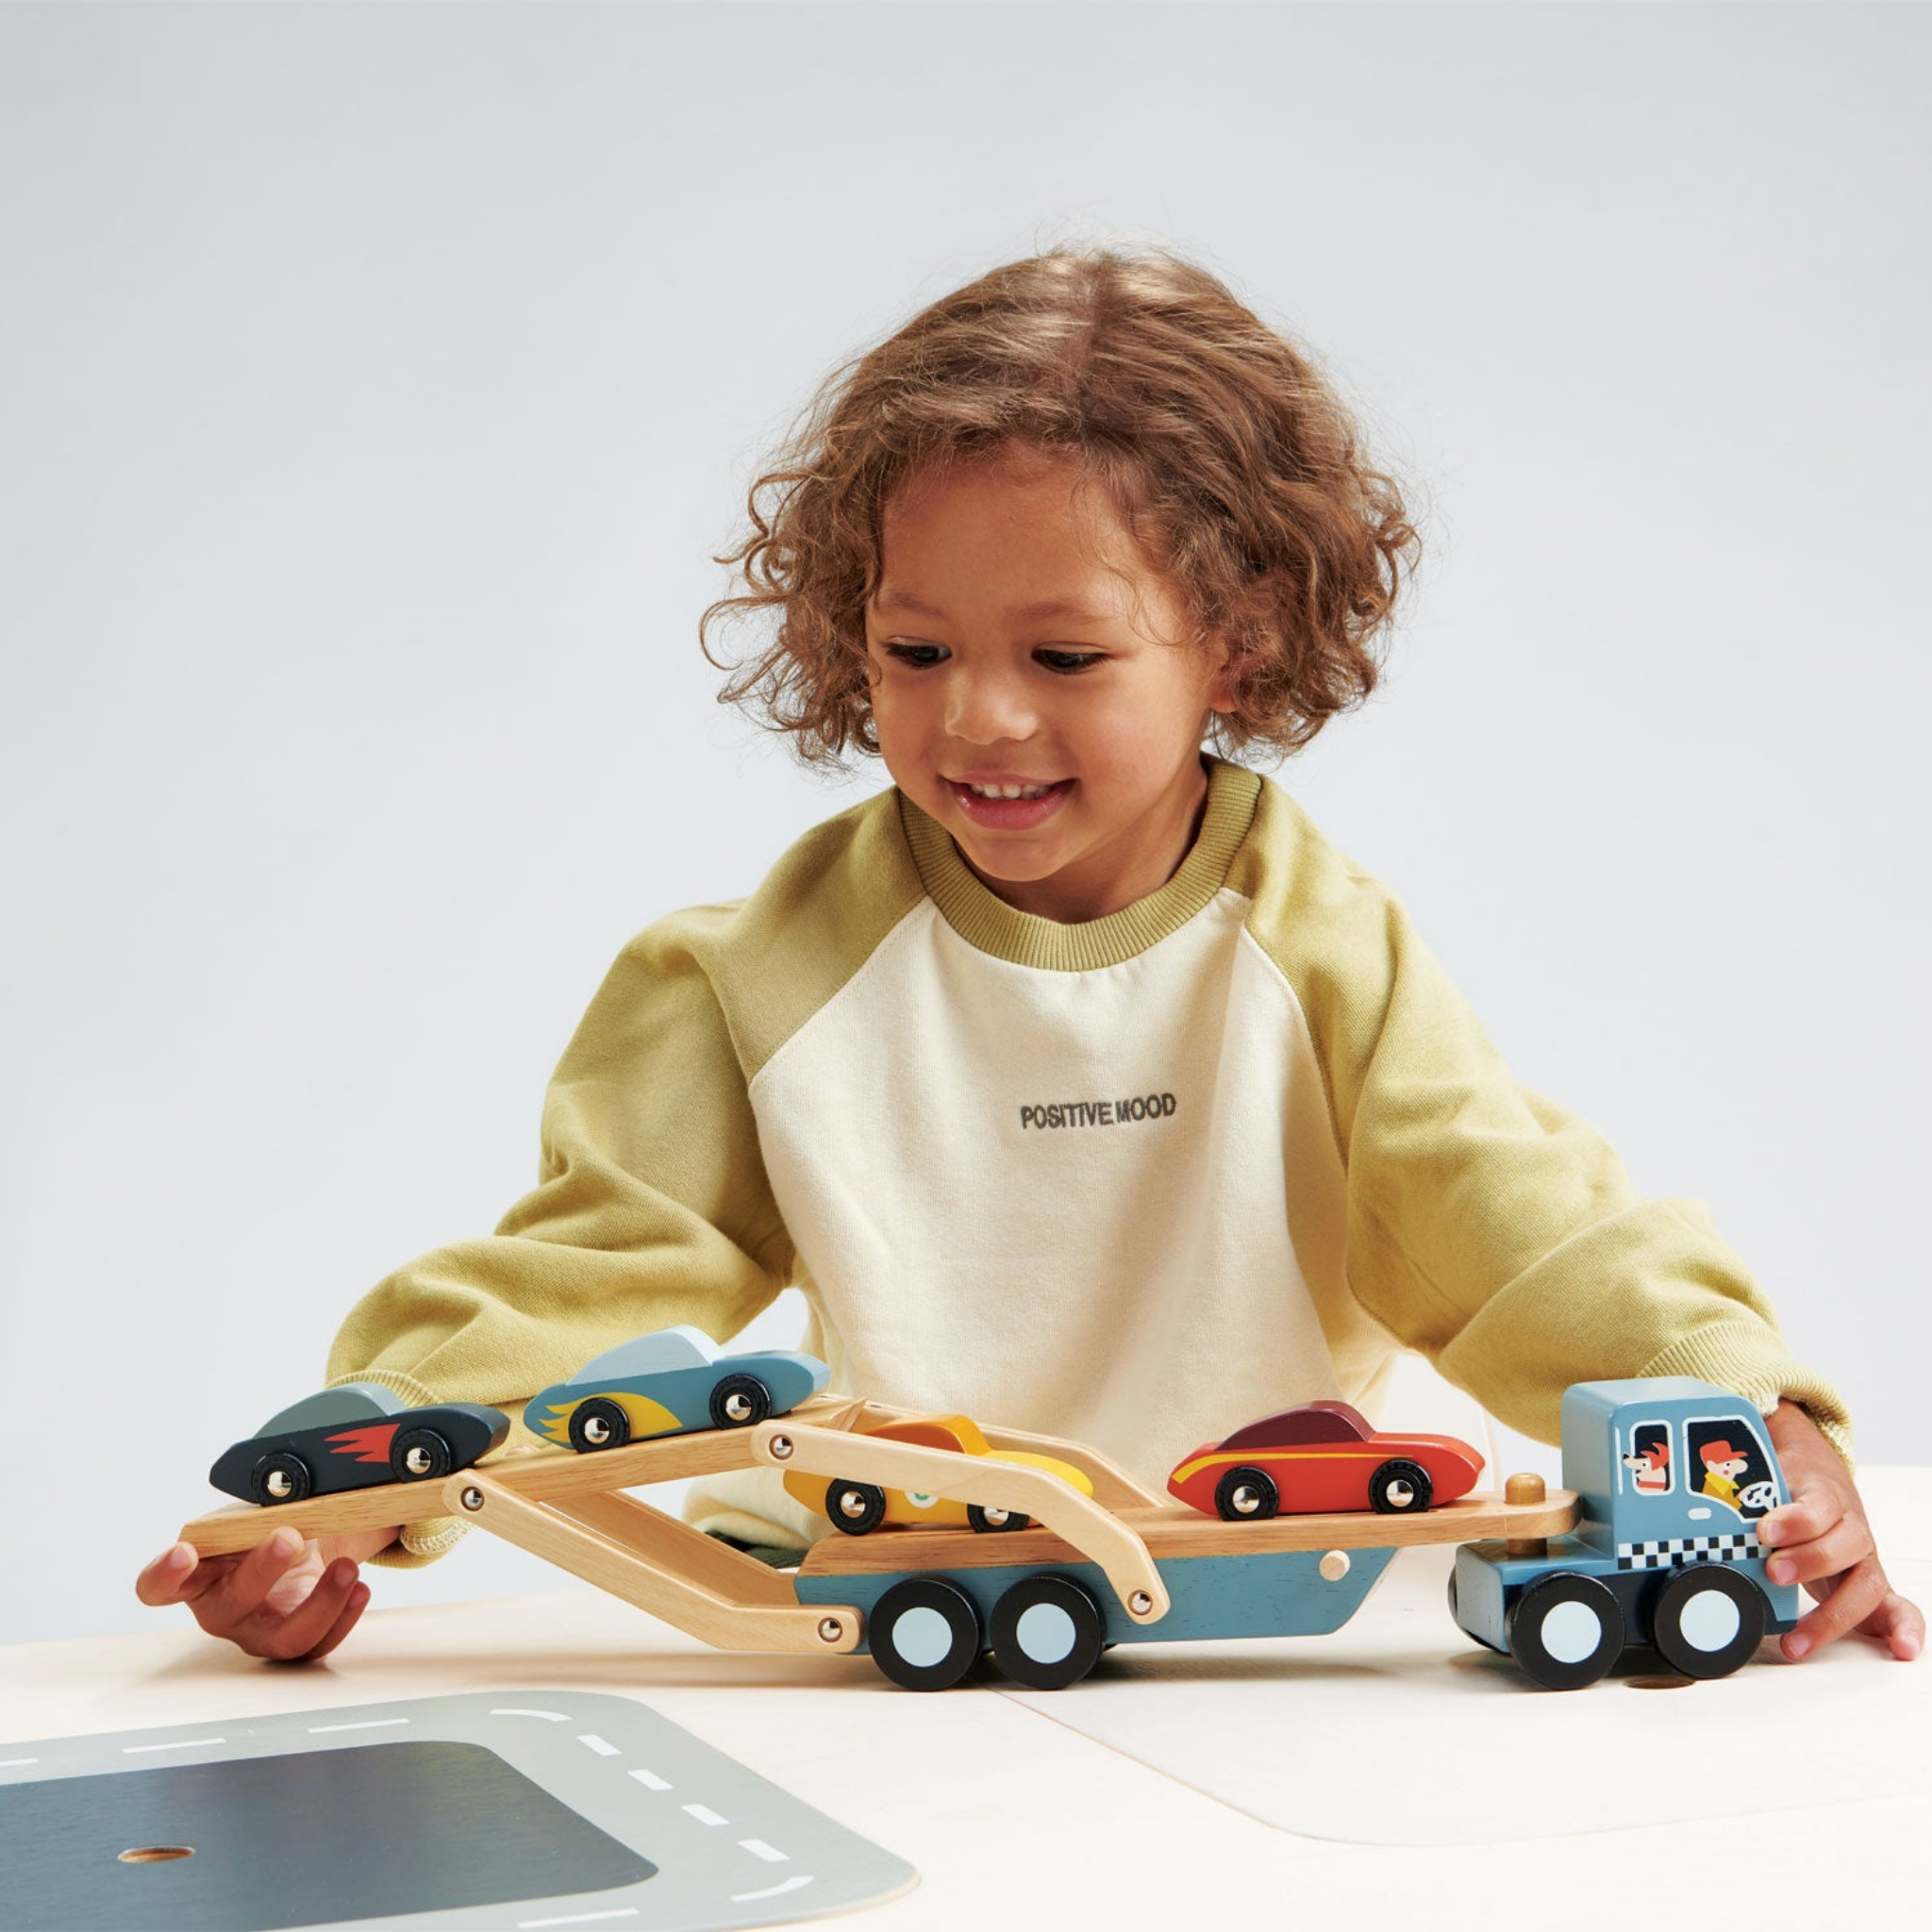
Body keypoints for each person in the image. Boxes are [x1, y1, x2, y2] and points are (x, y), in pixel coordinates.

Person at [137, 244, 1923, 1670]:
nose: (976, 719)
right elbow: (581, 1279)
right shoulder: (757, 975)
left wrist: (1750, 1421)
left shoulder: (1314, 947)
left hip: (1261, 1600)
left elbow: (1511, 1218)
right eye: (916, 650)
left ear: (1237, 642)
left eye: (1066, 658)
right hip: (877, 1591)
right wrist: (350, 1488)